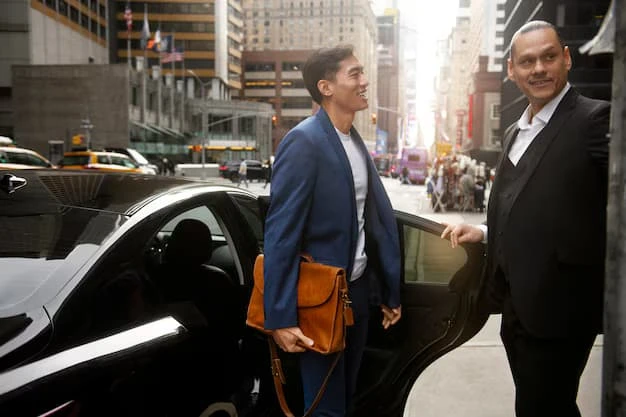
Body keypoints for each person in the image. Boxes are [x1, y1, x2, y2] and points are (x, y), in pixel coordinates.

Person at [441, 21, 610, 417]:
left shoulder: (594, 120)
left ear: (566, 59)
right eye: (527, 61)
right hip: (516, 304)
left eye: (548, 57)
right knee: (546, 406)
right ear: (511, 70)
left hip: (563, 308)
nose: (539, 69)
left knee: (542, 406)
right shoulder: (515, 132)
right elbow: (523, 203)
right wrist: (483, 231)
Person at [262, 45, 402, 416]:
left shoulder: (354, 141)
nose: (365, 81)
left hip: (355, 293)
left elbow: (371, 221)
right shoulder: (304, 141)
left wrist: (387, 291)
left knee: (347, 398)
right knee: (326, 408)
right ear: (326, 87)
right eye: (355, 74)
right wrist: (280, 318)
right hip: (319, 299)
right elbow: (281, 233)